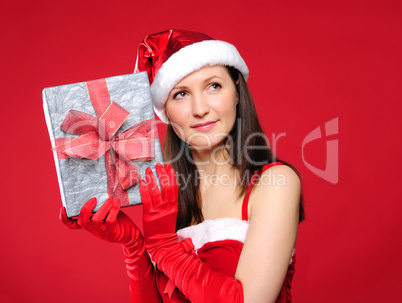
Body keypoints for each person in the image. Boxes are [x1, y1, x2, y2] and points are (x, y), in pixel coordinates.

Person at [60, 29, 305, 303]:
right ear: (165, 110)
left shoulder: (275, 183)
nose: (200, 108)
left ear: (236, 91)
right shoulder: (167, 195)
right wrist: (134, 245)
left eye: (214, 86)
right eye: (181, 94)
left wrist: (164, 246)